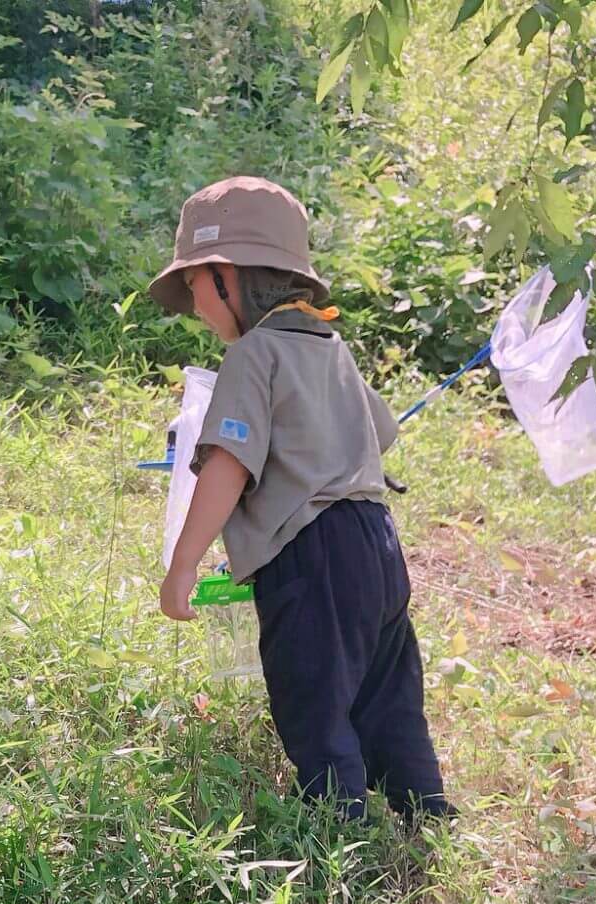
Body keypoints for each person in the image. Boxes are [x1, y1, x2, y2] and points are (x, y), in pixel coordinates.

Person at [149, 176, 454, 821]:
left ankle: (335, 828)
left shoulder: (254, 354)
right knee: (387, 691)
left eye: (197, 286)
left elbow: (227, 466)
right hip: (378, 542)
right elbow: (383, 429)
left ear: (229, 276)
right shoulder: (329, 345)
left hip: (309, 553)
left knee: (311, 696)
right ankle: (424, 808)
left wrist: (181, 568)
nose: (195, 305)